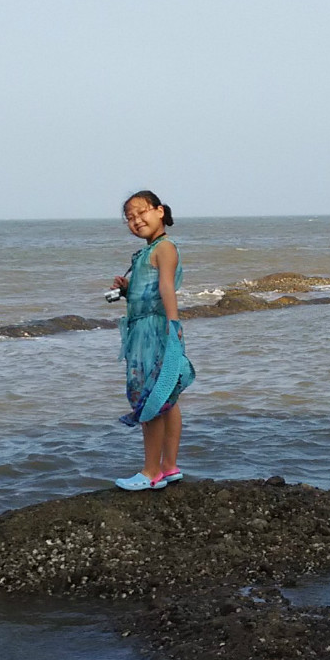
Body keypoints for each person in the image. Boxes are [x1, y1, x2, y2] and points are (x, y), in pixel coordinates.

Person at [110, 189, 194, 491]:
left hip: (154, 330)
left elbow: (167, 288)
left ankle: (150, 472)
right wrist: (127, 290)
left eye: (141, 212)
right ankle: (169, 467)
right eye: (130, 218)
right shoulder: (150, 250)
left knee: (151, 399)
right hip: (147, 327)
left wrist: (174, 327)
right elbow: (148, 290)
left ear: (160, 211)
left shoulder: (165, 247)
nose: (136, 220)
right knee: (167, 398)